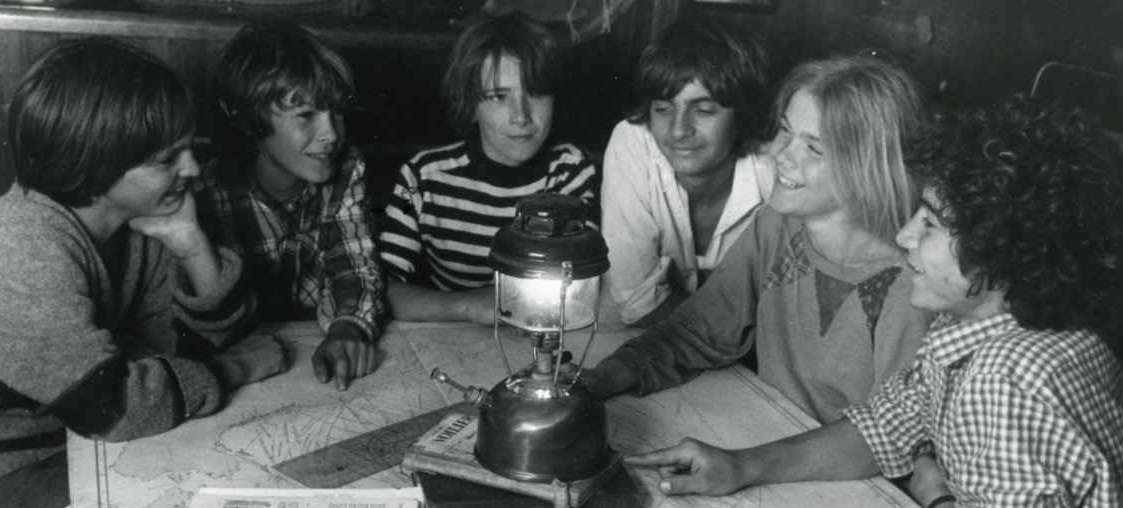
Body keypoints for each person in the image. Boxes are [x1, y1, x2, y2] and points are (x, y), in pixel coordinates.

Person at [625, 96, 1123, 508]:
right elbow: (883, 427)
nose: (905, 235)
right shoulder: (1025, 330)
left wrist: (938, 500)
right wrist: (740, 466)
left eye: (930, 224)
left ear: (1004, 256)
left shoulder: (1004, 381)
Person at [0, 38, 287, 508]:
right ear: (95, 166)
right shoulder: (17, 242)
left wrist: (190, 243)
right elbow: (115, 407)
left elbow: (199, 343)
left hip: (71, 448)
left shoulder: (130, 226)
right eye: (167, 159)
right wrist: (239, 370)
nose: (191, 167)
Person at [587, 56, 930, 425]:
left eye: (814, 148)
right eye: (785, 130)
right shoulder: (776, 225)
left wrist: (742, 466)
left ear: (870, 168)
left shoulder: (915, 280)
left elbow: (888, 435)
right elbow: (699, 329)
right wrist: (602, 377)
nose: (781, 154)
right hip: (772, 434)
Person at [195, 20, 382, 391]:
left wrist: (347, 328)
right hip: (243, 368)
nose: (331, 134)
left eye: (336, 112)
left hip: (312, 363)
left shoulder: (345, 168)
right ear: (251, 122)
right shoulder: (206, 192)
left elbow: (353, 266)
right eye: (307, 115)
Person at [376, 12, 599, 324]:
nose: (520, 116)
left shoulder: (571, 170)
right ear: (470, 106)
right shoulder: (420, 178)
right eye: (498, 96)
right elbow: (380, 290)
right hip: (452, 340)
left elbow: (580, 283)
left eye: (535, 93)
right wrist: (469, 307)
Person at [602, 15, 774, 326]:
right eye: (663, 109)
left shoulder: (776, 167)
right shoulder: (632, 140)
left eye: (704, 110)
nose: (679, 130)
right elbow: (636, 301)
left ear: (742, 115)